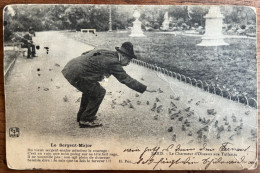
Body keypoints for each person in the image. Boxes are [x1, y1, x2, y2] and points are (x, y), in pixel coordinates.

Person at [62, 42, 155, 128]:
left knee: (91, 90)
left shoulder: (106, 51)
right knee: (99, 92)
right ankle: (86, 120)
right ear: (122, 55)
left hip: (70, 67)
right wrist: (145, 88)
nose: (128, 63)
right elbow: (125, 79)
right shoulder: (113, 62)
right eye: (129, 60)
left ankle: (82, 116)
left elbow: (85, 53)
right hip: (77, 74)